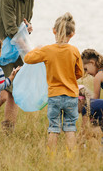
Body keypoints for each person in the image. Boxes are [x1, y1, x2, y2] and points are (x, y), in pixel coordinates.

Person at [0, 0, 45, 132]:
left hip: (17, 50)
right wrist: (29, 52)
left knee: (15, 90)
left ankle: (7, 131)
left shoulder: (29, 0)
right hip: (2, 50)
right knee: (4, 93)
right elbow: (11, 29)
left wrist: (28, 28)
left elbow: (22, 25)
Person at [24, 12, 84, 156]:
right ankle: (71, 157)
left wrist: (38, 48)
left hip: (54, 95)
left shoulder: (47, 50)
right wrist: (69, 77)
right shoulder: (74, 51)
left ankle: (51, 158)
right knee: (70, 128)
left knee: (54, 128)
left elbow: (27, 58)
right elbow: (80, 73)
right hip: (71, 96)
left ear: (54, 31)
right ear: (73, 34)